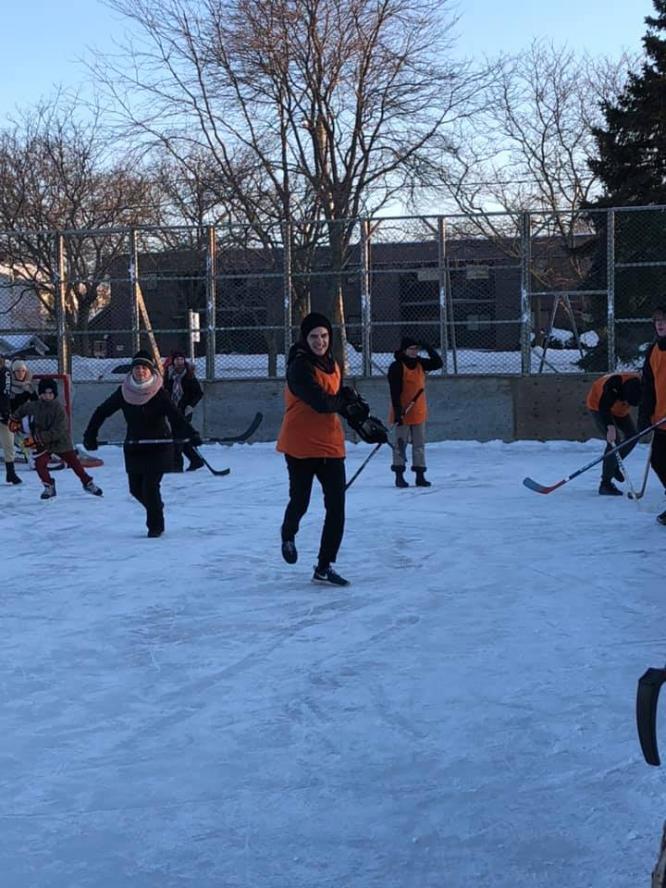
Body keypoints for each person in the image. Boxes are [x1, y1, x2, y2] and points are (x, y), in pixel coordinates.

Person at [276, 312, 371, 586]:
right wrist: (344, 399)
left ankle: (324, 565)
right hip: (300, 444)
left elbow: (337, 400)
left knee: (337, 506)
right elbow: (322, 402)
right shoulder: (299, 366)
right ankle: (288, 533)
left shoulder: (333, 363)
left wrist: (360, 418)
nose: (320, 341)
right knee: (301, 500)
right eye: (314, 336)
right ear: (305, 339)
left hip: (330, 444)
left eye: (325, 336)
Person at [83, 350, 201, 537]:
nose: (140, 371)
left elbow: (175, 416)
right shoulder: (124, 391)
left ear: (150, 370)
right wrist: (90, 435)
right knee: (135, 489)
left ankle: (155, 526)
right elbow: (102, 411)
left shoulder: (159, 392)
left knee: (150, 487)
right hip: (135, 446)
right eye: (137, 368)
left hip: (159, 445)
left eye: (144, 368)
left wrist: (191, 434)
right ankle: (156, 507)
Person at [9, 377, 103, 500]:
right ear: (40, 394)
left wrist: (37, 438)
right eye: (44, 393)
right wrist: (14, 420)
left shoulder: (59, 409)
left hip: (60, 442)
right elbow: (21, 411)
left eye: (50, 393)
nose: (47, 396)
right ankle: (49, 486)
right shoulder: (33, 406)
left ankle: (87, 483)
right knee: (40, 464)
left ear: (54, 394)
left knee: (75, 463)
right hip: (42, 443)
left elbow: (58, 430)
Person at [387, 337, 443, 488]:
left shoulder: (420, 364)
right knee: (400, 444)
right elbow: (395, 391)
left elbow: (438, 363)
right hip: (402, 412)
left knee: (419, 444)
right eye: (411, 349)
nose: (414, 352)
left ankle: (420, 475)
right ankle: (399, 475)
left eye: (416, 349)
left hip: (418, 411)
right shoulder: (396, 367)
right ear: (404, 350)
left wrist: (428, 347)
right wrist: (398, 411)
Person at [585, 372, 642, 496]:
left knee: (633, 436)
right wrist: (610, 428)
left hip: (619, 410)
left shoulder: (643, 384)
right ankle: (605, 484)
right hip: (598, 406)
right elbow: (603, 408)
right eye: (627, 401)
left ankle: (613, 464)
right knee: (614, 441)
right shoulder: (612, 385)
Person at [638, 306, 666, 525]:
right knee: (658, 460)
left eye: (664, 320)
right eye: (657, 320)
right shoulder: (653, 351)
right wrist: (644, 416)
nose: (660, 324)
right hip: (662, 420)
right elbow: (648, 387)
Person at [163, 350, 204, 472]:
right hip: (172, 410)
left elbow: (198, 393)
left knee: (177, 437)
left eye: (181, 359)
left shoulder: (189, 375)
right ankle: (196, 460)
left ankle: (177, 464)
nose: (179, 362)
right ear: (173, 361)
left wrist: (191, 405)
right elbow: (166, 391)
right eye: (177, 359)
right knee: (181, 437)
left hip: (185, 410)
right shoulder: (169, 375)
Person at [0, 355, 22, 484]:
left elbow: (5, 392)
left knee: (8, 440)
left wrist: (5, 412)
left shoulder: (5, 372)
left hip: (3, 411)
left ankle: (11, 472)